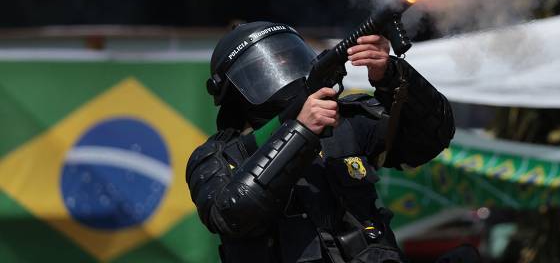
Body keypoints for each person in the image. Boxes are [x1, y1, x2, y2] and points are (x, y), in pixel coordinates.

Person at [186, 21, 455, 263]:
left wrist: (390, 74)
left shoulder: (342, 120)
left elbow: (431, 138)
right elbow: (230, 214)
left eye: (288, 58)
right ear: (233, 88)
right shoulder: (216, 157)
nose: (282, 68)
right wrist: (300, 131)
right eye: (267, 66)